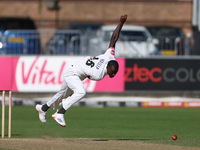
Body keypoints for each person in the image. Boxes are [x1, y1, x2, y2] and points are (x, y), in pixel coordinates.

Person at [36, 14, 128, 127]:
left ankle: (43, 108)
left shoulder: (110, 56)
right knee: (81, 92)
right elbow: (88, 76)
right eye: (112, 72)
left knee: (62, 94)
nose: (113, 74)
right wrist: (68, 101)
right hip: (72, 73)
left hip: (75, 70)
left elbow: (114, 39)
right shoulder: (98, 75)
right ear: (108, 67)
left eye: (115, 73)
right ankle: (60, 113)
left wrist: (121, 23)